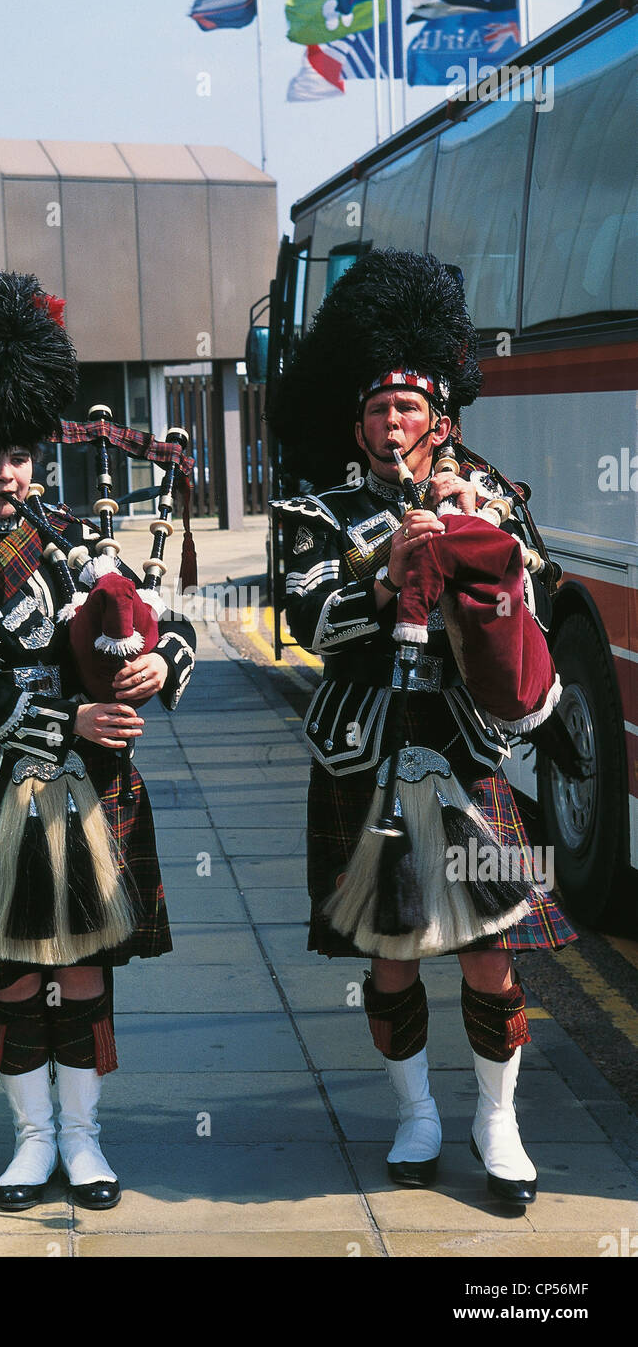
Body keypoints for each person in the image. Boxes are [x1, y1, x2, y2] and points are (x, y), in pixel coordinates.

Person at [0, 269, 195, 1212]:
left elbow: (147, 617)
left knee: (85, 966)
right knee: (14, 977)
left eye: (18, 454)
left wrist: (154, 665)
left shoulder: (72, 538)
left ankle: (86, 1144)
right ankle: (31, 1141)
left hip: (89, 788)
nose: (7, 474)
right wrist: (74, 717)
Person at [269, 249, 577, 1207]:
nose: (390, 425)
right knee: (393, 956)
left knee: (490, 956)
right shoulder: (317, 513)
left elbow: (535, 601)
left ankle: (498, 1121)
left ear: (439, 418)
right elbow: (311, 622)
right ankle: (415, 1115)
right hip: (367, 752)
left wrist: (483, 538)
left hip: (469, 753)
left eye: (408, 410)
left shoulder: (490, 498)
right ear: (356, 424)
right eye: (376, 411)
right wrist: (382, 572)